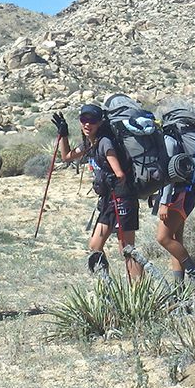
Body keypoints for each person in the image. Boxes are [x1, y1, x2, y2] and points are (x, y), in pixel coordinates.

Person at [52, 104, 142, 280]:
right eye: (84, 120)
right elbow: (66, 157)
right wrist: (63, 134)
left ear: (100, 122)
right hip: (108, 200)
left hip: (122, 199)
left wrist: (110, 179)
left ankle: (138, 290)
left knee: (126, 248)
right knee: (95, 245)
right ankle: (106, 285)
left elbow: (120, 174)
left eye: (92, 120)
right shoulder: (89, 143)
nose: (87, 124)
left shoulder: (105, 142)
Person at [152, 129, 195, 285]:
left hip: (180, 196)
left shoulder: (168, 140)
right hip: (185, 193)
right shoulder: (168, 139)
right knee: (176, 239)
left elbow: (171, 174)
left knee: (163, 238)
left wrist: (164, 202)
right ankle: (179, 287)